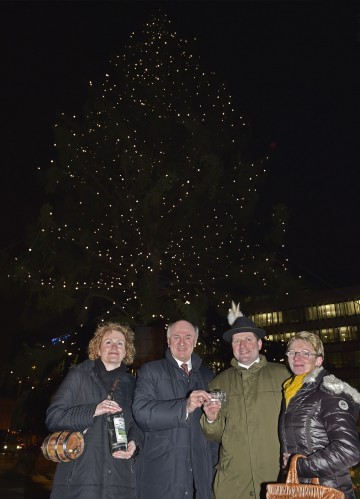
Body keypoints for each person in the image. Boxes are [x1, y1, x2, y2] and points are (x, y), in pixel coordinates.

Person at [200, 302, 290, 499]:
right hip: (233, 480)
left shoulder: (283, 376)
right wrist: (211, 419)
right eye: (236, 341)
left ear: (259, 344)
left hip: (275, 475)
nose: (243, 346)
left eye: (248, 340)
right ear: (231, 346)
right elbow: (214, 435)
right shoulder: (218, 382)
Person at [46, 322, 143, 499]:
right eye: (108, 342)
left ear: (126, 351)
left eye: (120, 343)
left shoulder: (133, 384)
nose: (114, 346)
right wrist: (93, 410)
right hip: (80, 480)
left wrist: (135, 442)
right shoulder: (79, 376)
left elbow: (138, 424)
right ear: (97, 349)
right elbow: (53, 417)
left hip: (119, 481)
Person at [132, 319, 218, 499]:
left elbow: (215, 432)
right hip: (161, 474)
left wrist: (211, 418)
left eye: (188, 337)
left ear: (195, 342)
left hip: (199, 476)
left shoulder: (208, 375)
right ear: (168, 341)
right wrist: (184, 407)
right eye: (176, 337)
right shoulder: (150, 371)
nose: (182, 342)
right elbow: (141, 413)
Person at [279, 331, 360, 499]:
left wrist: (299, 466)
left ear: (319, 360)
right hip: (300, 489)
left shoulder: (329, 391)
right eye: (292, 352)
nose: (297, 358)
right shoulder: (292, 392)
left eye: (305, 353)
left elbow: (349, 450)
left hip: (328, 491)